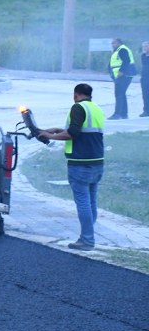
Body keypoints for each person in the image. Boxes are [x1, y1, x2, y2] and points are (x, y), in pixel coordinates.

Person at [38, 83, 104, 251]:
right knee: (91, 201)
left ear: (76, 95)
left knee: (83, 202)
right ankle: (88, 235)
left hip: (80, 163)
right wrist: (57, 130)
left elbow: (72, 134)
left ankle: (87, 240)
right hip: (97, 162)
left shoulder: (77, 108)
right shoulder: (95, 108)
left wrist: (49, 136)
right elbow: (82, 131)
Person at [108, 38, 135, 120]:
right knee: (121, 94)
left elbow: (126, 61)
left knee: (119, 94)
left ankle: (117, 114)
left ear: (119, 43)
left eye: (114, 43)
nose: (112, 45)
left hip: (124, 75)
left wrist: (121, 71)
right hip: (121, 76)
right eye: (112, 44)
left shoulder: (122, 49)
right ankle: (124, 114)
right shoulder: (117, 50)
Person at [140, 41, 149, 118]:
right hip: (144, 78)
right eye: (144, 47)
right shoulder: (143, 56)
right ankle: (146, 110)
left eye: (146, 46)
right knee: (145, 95)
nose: (144, 48)